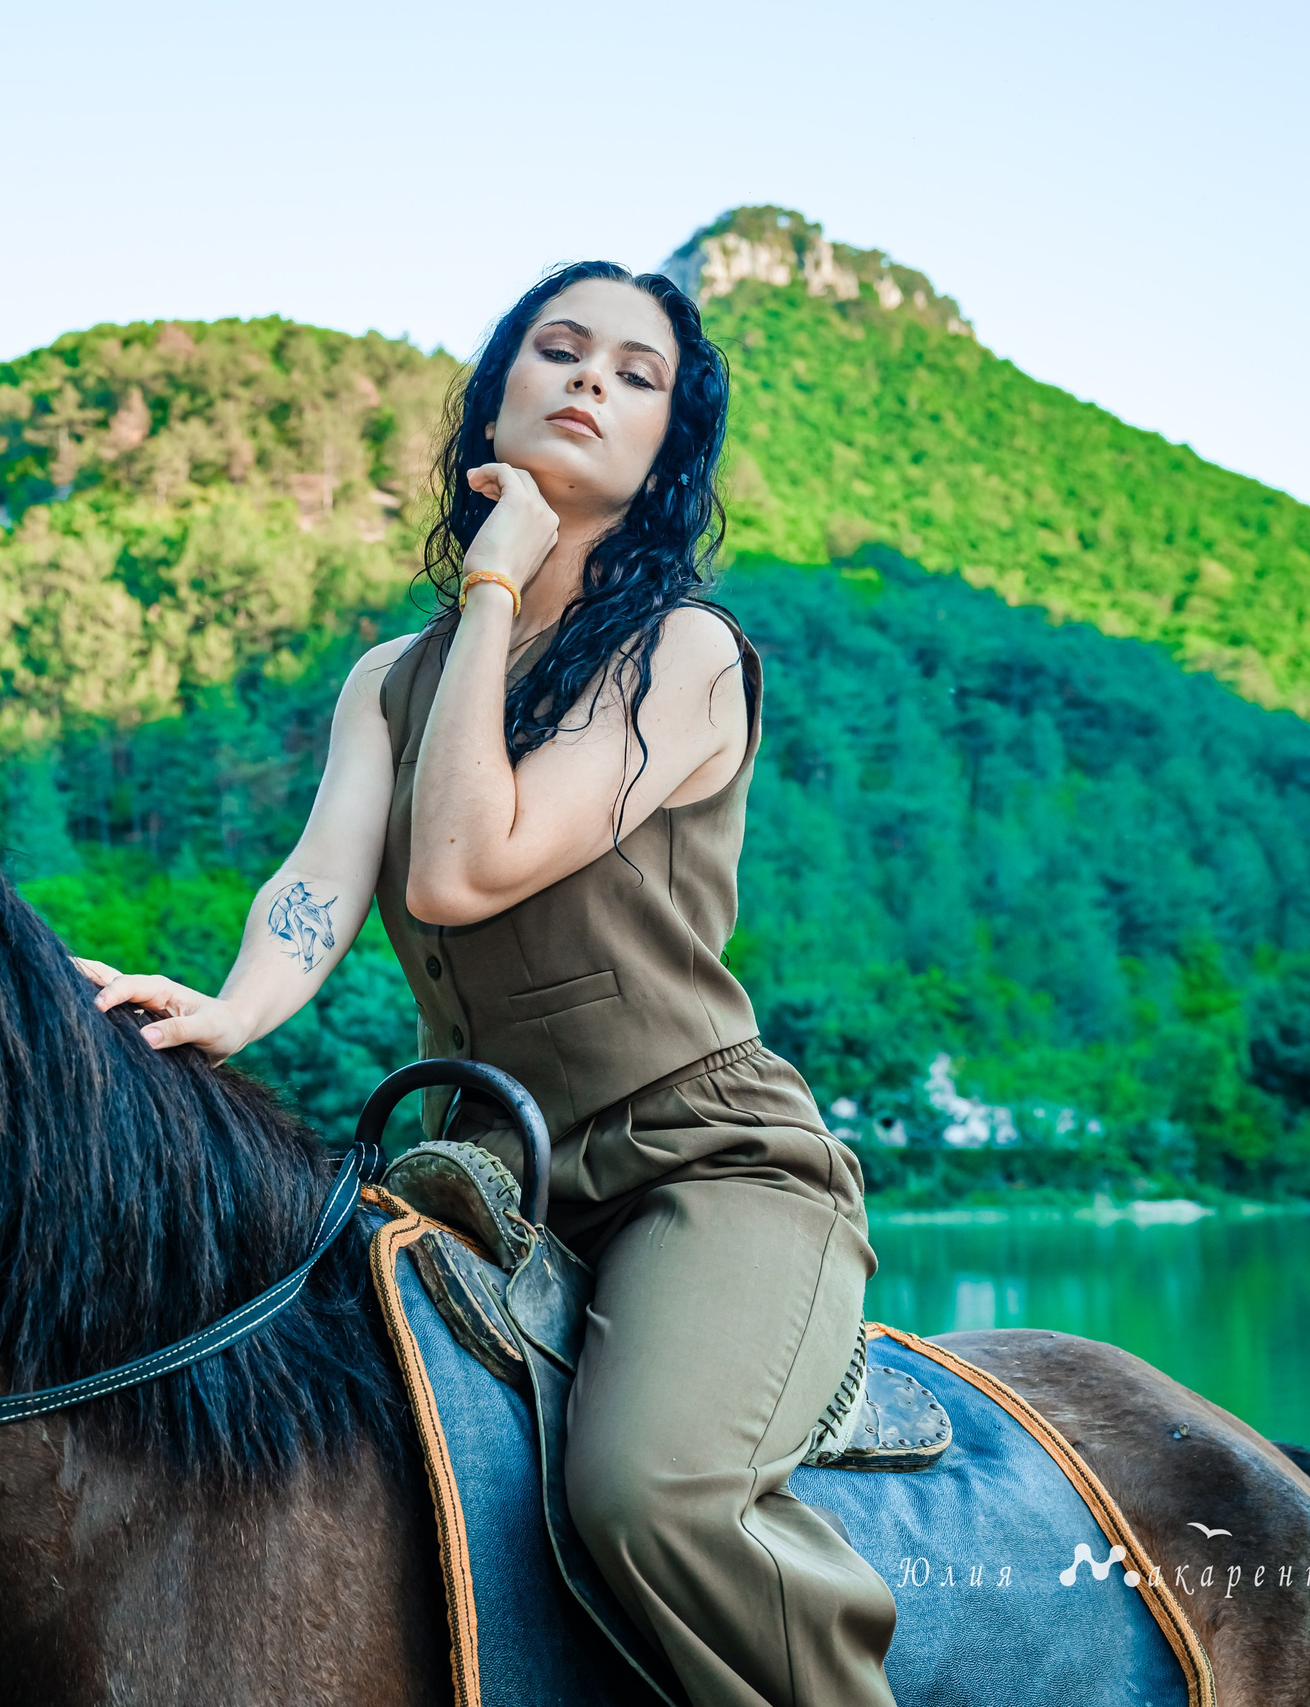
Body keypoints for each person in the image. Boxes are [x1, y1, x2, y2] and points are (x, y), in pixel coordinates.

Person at [77, 261, 897, 1707]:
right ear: (499, 394)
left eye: (636, 375)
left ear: (666, 450)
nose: (590, 381)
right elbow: (323, 880)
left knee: (652, 1496)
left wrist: (498, 579)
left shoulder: (684, 654)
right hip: (483, 1170)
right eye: (560, 351)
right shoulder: (390, 679)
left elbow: (464, 865)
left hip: (705, 1165)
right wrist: (230, 1007)